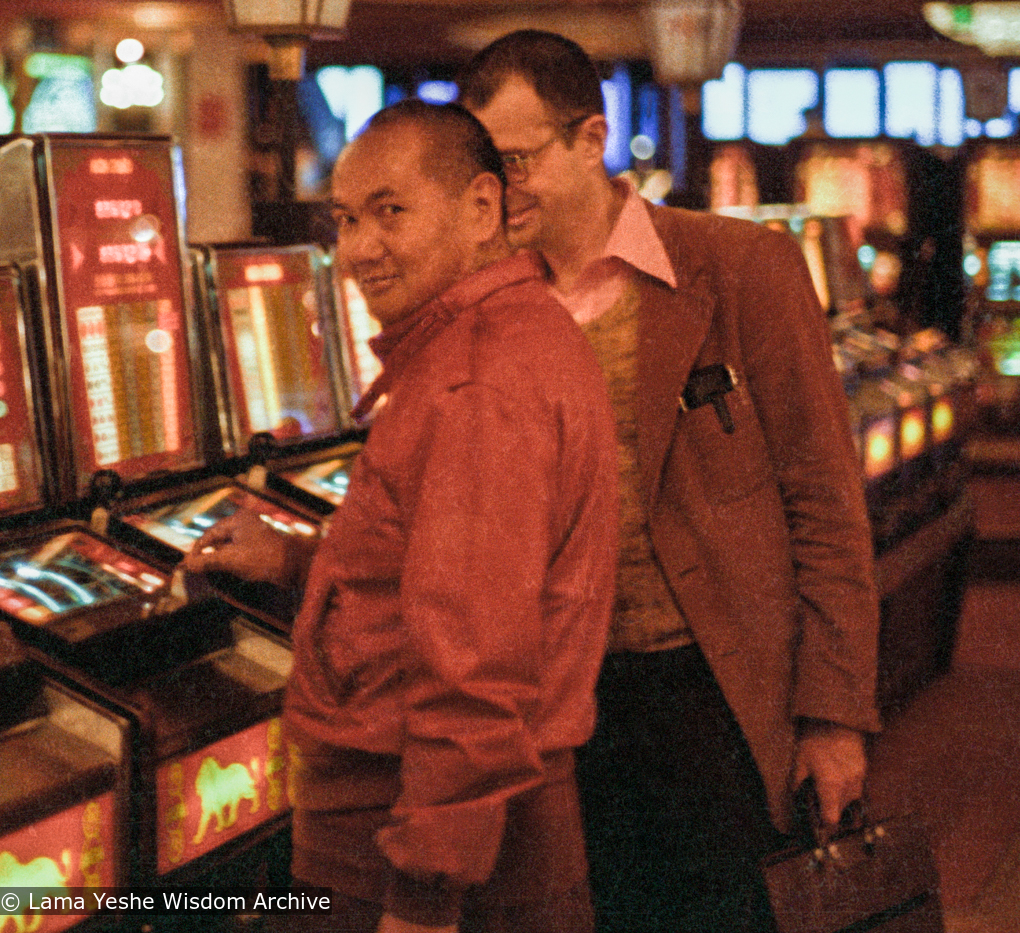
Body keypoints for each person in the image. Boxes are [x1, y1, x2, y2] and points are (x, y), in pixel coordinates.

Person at [458, 31, 882, 933]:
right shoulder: (488, 307)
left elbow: (827, 505)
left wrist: (835, 716)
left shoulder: (740, 268)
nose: (503, 188)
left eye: (520, 158)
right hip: (560, 714)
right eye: (486, 166)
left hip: (714, 698)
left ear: (591, 138)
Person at [183, 99, 618, 933]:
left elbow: (475, 661)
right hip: (470, 829)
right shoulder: (492, 340)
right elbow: (443, 578)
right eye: (345, 219)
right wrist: (302, 564)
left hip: (413, 848)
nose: (358, 250)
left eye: (391, 213)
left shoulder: (477, 380)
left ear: (482, 208)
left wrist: (424, 898)